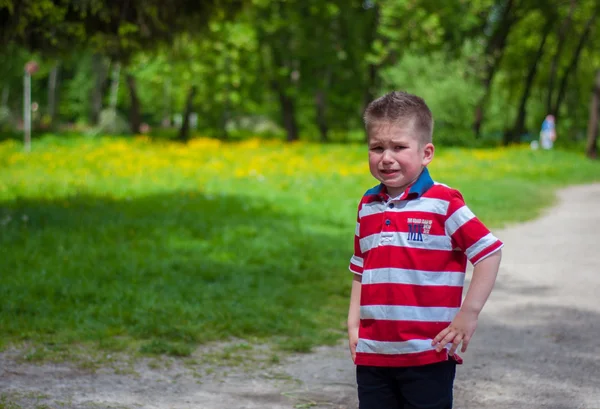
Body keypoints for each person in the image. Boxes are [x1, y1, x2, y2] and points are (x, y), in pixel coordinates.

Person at [347, 91, 503, 409]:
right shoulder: (367, 205)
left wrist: (468, 315)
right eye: (377, 148)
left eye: (399, 147)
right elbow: (360, 268)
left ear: (426, 152)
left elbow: (488, 253)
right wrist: (353, 323)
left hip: (428, 352)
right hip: (374, 352)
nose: (386, 157)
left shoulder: (444, 202)